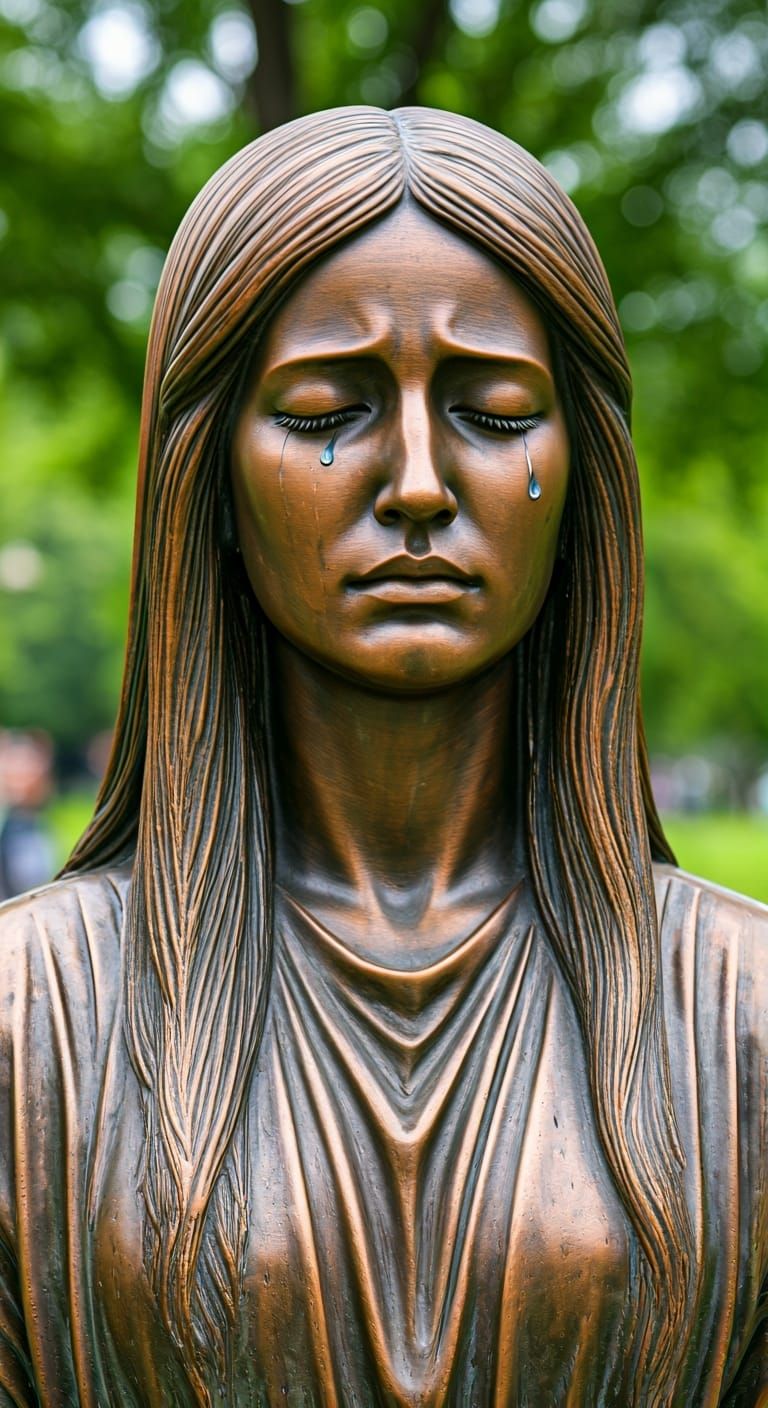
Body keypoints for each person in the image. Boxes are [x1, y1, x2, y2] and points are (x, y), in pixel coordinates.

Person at [0, 106, 765, 1408]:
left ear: (583, 472)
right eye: (327, 410)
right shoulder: (32, 1027)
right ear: (209, 478)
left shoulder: (742, 1018)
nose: (417, 479)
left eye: (492, 410)